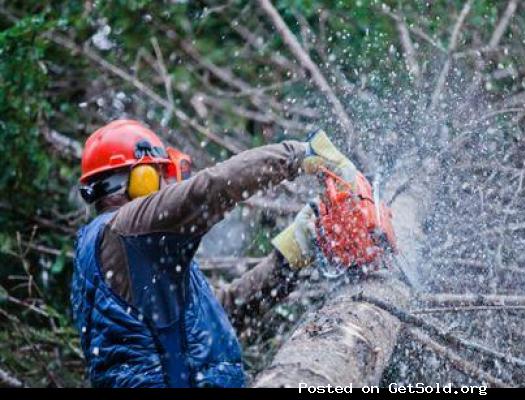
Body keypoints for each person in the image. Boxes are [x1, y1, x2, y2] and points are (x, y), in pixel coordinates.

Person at [71, 119, 357, 387]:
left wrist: (287, 258)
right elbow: (209, 189)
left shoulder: (128, 248)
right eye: (159, 175)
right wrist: (299, 154)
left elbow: (212, 322)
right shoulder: (128, 228)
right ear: (139, 178)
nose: (166, 185)